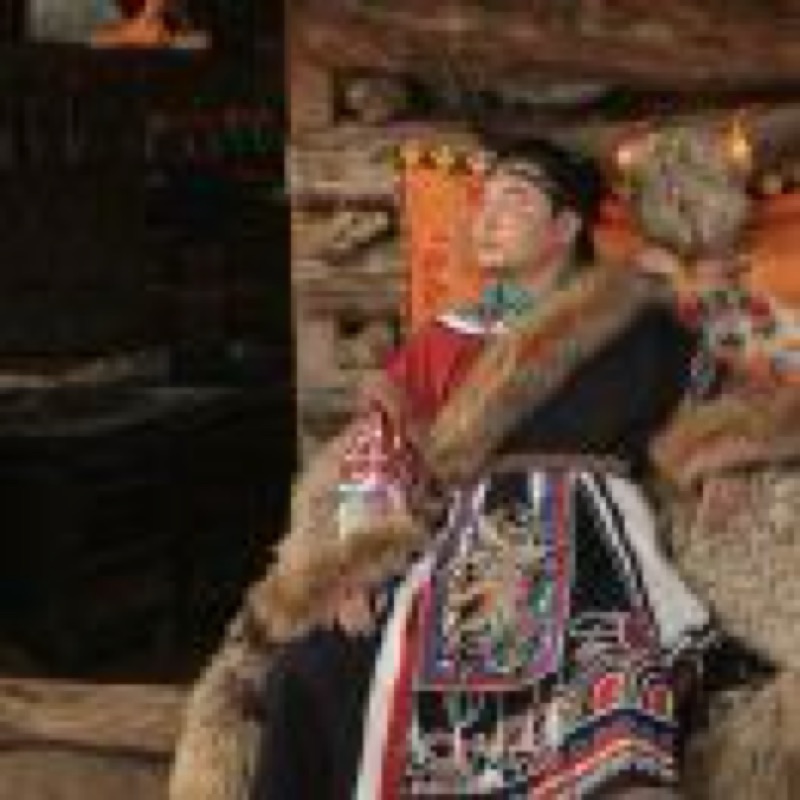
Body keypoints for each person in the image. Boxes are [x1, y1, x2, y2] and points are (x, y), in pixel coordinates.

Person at [170, 139, 711, 799]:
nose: (487, 218)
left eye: (515, 200)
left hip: (594, 545)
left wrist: (694, 301)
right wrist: (354, 564)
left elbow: (709, 400)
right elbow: (381, 445)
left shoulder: (633, 322)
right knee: (310, 670)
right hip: (460, 548)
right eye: (483, 201)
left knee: (611, 676)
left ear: (566, 226)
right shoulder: (446, 338)